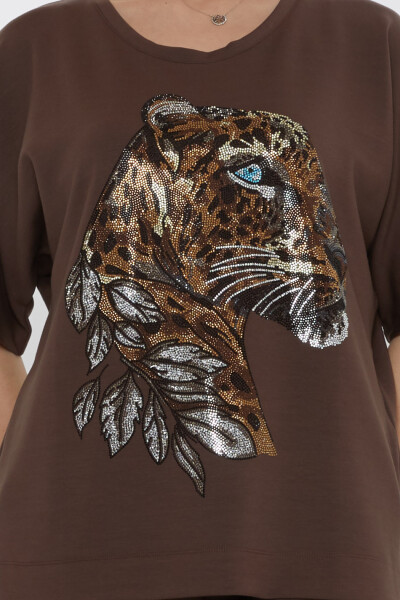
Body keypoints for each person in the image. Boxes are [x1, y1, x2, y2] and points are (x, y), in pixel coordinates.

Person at [1, 0, 400, 598]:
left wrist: (370, 468)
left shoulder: (374, 45)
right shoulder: (35, 52)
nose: (322, 245)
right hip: (70, 555)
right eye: (256, 177)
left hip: (329, 552)